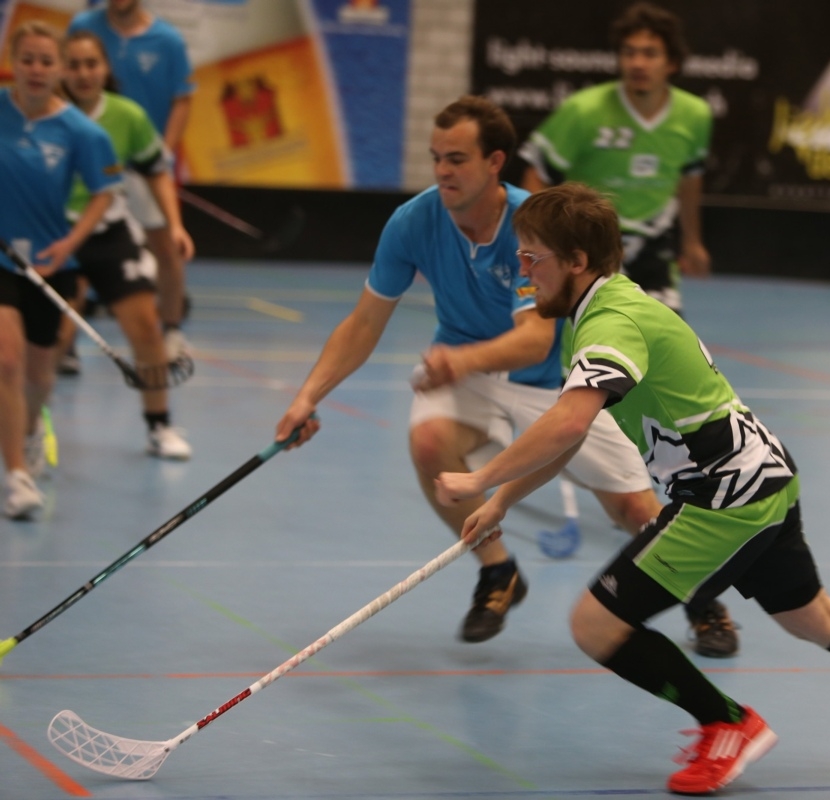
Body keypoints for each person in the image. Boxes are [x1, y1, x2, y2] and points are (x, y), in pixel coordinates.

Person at [434, 183, 830, 795]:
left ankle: (727, 725)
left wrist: (481, 476)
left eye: (533, 257)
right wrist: (501, 501)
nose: (523, 271)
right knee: (814, 617)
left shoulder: (611, 322)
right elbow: (574, 432)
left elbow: (568, 423)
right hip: (765, 476)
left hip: (724, 496)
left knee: (595, 624)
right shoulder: (600, 311)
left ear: (577, 261)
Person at [274, 96, 738, 656]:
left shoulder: (531, 226)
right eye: (436, 157)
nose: (442, 170)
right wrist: (307, 397)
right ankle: (498, 572)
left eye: (457, 159)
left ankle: (702, 600)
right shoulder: (413, 222)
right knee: (430, 444)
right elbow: (364, 322)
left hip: (556, 385)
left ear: (495, 162)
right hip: (468, 375)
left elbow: (534, 338)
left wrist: (459, 361)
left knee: (634, 510)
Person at [520, 2, 712, 316]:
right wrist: (541, 244)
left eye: (650, 53)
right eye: (629, 52)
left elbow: (690, 178)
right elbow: (537, 173)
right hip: (589, 248)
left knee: (663, 334)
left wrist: (692, 242)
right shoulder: (583, 110)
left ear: (672, 62)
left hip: (652, 247)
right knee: (590, 335)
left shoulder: (695, 115)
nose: (637, 63)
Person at [0, 21, 120, 519]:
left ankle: (31, 430)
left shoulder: (82, 132)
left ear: (60, 70)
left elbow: (104, 192)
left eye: (47, 61)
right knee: (6, 361)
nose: (36, 69)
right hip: (2, 261)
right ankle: (17, 476)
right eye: (27, 59)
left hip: (50, 264)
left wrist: (71, 242)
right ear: (12, 60)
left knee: (38, 376)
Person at [57, 29, 192, 460]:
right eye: (73, 65)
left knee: (146, 329)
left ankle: (159, 425)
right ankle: (29, 432)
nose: (83, 73)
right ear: (61, 70)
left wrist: (174, 225)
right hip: (53, 234)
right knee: (50, 342)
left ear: (105, 69)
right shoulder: (45, 114)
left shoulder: (128, 116)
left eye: (91, 64)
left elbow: (156, 171)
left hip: (108, 232)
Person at [69, 0, 194, 358]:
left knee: (166, 247)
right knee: (76, 249)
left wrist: (163, 152)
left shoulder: (168, 40)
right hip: (91, 166)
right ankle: (65, 342)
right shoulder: (83, 25)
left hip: (142, 159)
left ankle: (172, 331)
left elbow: (183, 98)